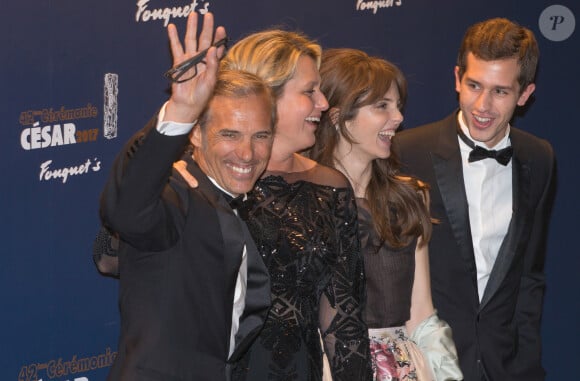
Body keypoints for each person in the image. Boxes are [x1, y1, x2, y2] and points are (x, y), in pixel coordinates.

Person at [99, 12, 275, 381]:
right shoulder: (176, 195)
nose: (247, 154)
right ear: (194, 135)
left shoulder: (250, 200)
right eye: (229, 135)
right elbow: (127, 209)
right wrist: (181, 111)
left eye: (260, 136)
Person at [393, 18, 556, 381]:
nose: (483, 105)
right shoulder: (407, 152)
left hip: (507, 367)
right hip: (428, 366)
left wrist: (526, 364)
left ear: (525, 94)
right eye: (474, 85)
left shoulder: (539, 157)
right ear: (456, 79)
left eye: (500, 92)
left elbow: (530, 276)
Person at [218, 30, 372, 381]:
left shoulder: (329, 188)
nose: (323, 103)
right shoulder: (198, 180)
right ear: (264, 98)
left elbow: (345, 326)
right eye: (309, 92)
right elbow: (111, 253)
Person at [309, 48, 462, 381]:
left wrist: (442, 372)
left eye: (397, 105)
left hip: (402, 369)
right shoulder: (304, 201)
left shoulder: (410, 197)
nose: (398, 118)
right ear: (337, 117)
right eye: (382, 106)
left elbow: (421, 313)